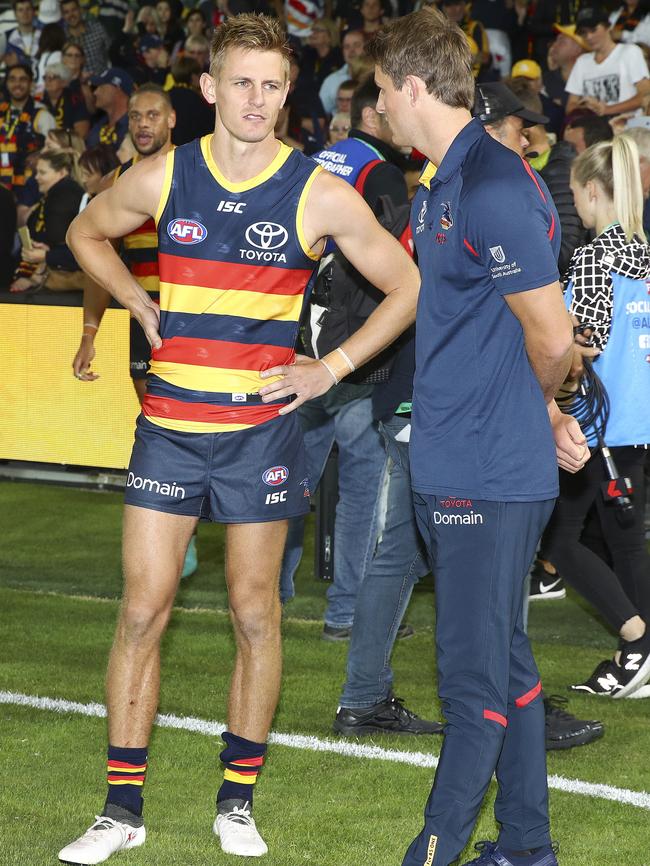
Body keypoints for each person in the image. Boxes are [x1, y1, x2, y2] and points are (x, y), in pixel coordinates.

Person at [59, 13, 419, 865]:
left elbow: (408, 286)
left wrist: (328, 370)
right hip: (170, 433)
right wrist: (141, 306)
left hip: (261, 436)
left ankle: (237, 800)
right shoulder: (164, 175)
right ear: (211, 89)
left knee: (256, 614)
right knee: (143, 612)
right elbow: (82, 233)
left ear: (287, 93)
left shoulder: (319, 191)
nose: (256, 100)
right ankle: (121, 810)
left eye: (272, 84)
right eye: (241, 83)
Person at [368, 10, 590, 866]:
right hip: (466, 456)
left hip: (485, 472)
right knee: (505, 664)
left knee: (472, 684)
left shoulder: (493, 184)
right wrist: (542, 413)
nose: (378, 108)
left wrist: (534, 410)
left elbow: (552, 334)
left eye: (383, 91)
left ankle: (435, 848)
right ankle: (527, 848)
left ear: (414, 86)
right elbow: (495, 330)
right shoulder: (447, 182)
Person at [543, 135, 650, 698]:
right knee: (625, 541)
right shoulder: (644, 252)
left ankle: (636, 644)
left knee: (558, 540)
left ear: (589, 190)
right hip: (637, 421)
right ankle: (641, 651)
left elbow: (579, 346)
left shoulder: (593, 258)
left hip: (593, 424)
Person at [10, 150, 84, 293]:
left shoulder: (64, 195)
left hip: (67, 283)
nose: (36, 177)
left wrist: (46, 255)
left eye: (42, 173)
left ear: (62, 172)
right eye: (36, 172)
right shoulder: (53, 194)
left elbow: (65, 243)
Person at [565, 5, 650, 118]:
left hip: (626, 130)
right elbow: (570, 106)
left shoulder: (630, 52)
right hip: (592, 131)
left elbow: (645, 95)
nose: (589, 37)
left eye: (593, 30)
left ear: (608, 27)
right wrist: (586, 108)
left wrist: (607, 110)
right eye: (583, 32)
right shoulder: (582, 62)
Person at [0, 63, 55, 198]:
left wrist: (40, 154)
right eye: (12, 79)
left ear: (31, 83)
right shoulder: (1, 111)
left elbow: (56, 150)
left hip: (30, 188)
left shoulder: (42, 114)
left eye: (22, 79)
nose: (17, 84)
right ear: (6, 84)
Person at [319, 28, 366, 116]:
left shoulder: (375, 76)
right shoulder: (331, 81)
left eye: (356, 45)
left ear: (367, 48)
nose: (351, 50)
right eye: (347, 47)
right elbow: (321, 115)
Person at [86, 67, 133, 150]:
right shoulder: (98, 127)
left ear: (117, 89)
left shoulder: (134, 126)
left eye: (101, 87)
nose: (95, 92)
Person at [60, 0, 111, 76]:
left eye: (74, 10)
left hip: (101, 81)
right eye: (66, 12)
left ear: (80, 10)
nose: (71, 15)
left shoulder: (97, 29)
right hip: (75, 85)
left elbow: (111, 52)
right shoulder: (61, 37)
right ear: (63, 16)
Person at [42, 60, 91, 139]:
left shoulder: (75, 100)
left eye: (52, 77)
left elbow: (82, 133)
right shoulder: (40, 100)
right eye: (45, 77)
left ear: (64, 82)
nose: (48, 81)